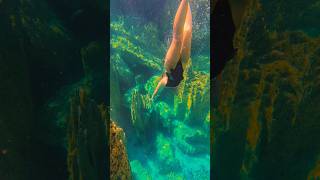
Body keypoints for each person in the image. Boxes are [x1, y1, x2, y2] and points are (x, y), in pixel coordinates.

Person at [151, 0, 192, 99]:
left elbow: (159, 87)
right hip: (183, 64)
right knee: (188, 31)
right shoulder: (177, 85)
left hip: (171, 67)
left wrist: (153, 97)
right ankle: (187, 3)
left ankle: (185, 1)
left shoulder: (166, 82)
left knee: (177, 39)